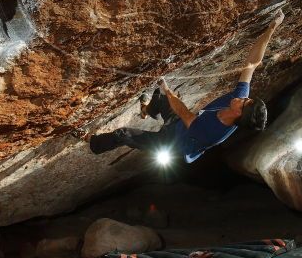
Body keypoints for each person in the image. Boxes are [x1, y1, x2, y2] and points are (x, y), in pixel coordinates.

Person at [86, 9, 285, 163]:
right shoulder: (238, 100)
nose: (241, 97)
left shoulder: (213, 132)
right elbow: (252, 64)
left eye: (243, 103)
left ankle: (91, 142)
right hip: (179, 124)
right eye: (246, 98)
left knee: (124, 134)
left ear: (239, 115)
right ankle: (146, 110)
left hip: (173, 145)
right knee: (159, 99)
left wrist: (167, 88)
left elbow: (183, 112)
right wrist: (272, 28)